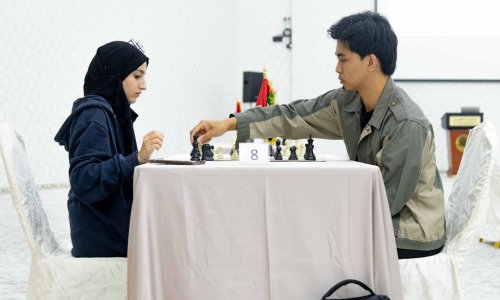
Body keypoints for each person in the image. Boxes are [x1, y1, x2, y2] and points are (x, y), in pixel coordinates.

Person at [189, 11, 445, 259]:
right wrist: (228, 124)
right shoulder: (347, 103)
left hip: (410, 233)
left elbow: (387, 202)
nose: (337, 68)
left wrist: (325, 220)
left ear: (370, 62)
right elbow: (293, 115)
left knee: (310, 240)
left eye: (343, 59)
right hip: (380, 218)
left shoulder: (406, 123)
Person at [55, 40, 164, 257]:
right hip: (99, 233)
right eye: (136, 76)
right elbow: (84, 179)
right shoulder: (94, 115)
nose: (144, 85)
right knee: (174, 244)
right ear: (115, 75)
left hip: (104, 224)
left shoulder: (110, 113)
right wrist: (136, 159)